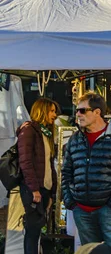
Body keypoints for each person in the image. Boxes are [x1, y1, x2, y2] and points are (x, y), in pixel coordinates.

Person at [62, 93, 111, 253]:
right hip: (82, 210)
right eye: (77, 110)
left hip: (109, 210)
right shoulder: (75, 139)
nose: (78, 114)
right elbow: (66, 172)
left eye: (83, 110)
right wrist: (71, 202)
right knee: (90, 252)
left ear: (97, 112)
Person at [17, 98, 58, 254]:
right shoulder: (29, 130)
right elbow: (25, 161)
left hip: (44, 188)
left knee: (36, 230)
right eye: (52, 111)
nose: (54, 115)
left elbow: (49, 164)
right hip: (33, 189)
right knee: (33, 232)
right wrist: (34, 189)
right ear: (42, 110)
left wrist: (52, 192)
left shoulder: (46, 133)